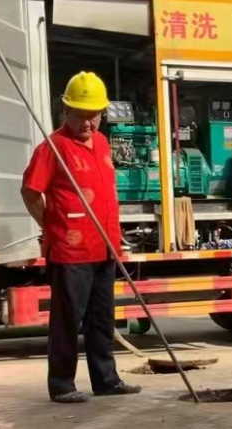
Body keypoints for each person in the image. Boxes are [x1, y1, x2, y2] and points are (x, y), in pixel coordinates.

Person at [22, 71, 141, 403]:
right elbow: (30, 191)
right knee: (67, 320)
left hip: (105, 247)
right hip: (71, 251)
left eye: (95, 115)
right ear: (66, 112)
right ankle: (62, 385)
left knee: (102, 318)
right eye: (82, 116)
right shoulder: (53, 148)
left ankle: (106, 380)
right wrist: (51, 222)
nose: (89, 123)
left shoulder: (102, 143)